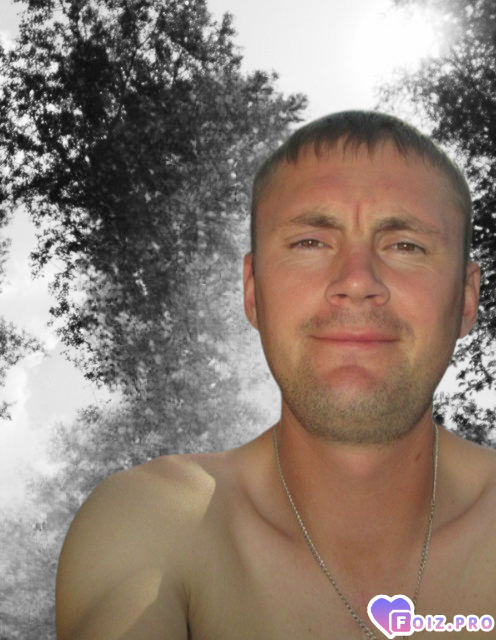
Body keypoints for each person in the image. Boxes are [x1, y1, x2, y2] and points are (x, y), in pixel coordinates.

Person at [55, 111, 496, 639]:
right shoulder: (153, 520)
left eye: (405, 246)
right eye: (310, 242)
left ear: (466, 299)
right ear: (252, 292)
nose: (357, 281)